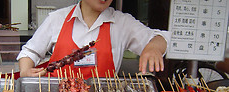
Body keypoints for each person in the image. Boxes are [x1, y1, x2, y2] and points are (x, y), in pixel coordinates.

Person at [17, 0, 171, 79]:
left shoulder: (122, 23)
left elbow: (161, 38)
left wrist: (154, 46)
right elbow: (30, 51)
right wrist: (25, 70)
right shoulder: (57, 19)